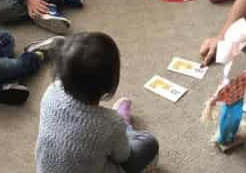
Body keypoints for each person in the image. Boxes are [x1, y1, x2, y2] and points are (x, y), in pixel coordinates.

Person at [35, 32, 159, 173]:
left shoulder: (51, 91)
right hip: (105, 146)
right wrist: (117, 125)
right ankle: (125, 124)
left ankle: (118, 133)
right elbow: (124, 157)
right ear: (109, 82)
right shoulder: (111, 124)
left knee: (102, 141)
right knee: (148, 142)